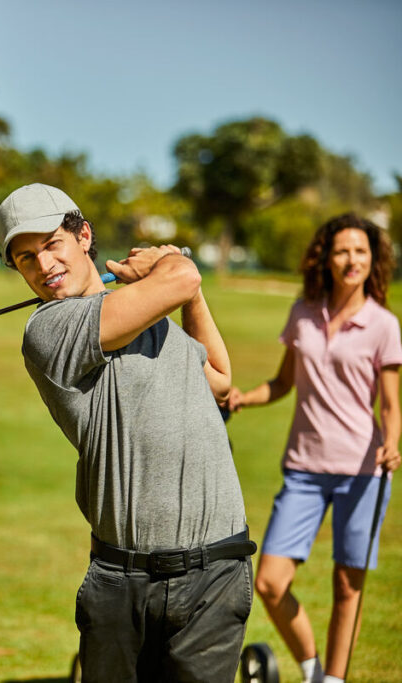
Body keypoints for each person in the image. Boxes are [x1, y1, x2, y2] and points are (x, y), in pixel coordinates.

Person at [0, 183, 255, 682]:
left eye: (52, 244)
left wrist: (191, 291)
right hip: (123, 581)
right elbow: (180, 276)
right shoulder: (48, 330)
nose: (44, 265)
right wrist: (170, 263)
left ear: (83, 236)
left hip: (215, 573)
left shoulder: (152, 315)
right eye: (26, 258)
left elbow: (220, 382)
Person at [226, 214, 400, 683]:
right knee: (269, 582)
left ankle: (333, 682)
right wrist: (245, 396)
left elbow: (390, 404)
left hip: (363, 472)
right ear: (326, 257)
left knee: (348, 586)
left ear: (373, 260)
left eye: (361, 251)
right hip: (304, 469)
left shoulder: (383, 325)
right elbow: (284, 382)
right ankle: (313, 671)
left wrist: (392, 444)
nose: (352, 260)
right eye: (342, 251)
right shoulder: (303, 312)